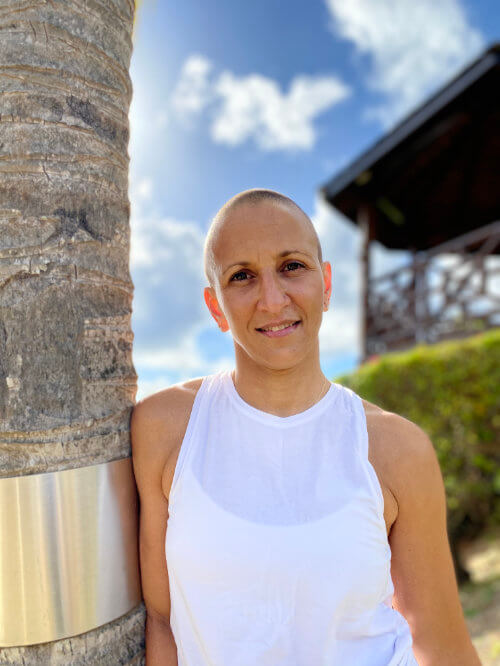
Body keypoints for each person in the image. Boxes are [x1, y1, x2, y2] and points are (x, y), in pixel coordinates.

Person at [131, 188, 480, 666]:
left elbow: (442, 647)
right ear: (216, 308)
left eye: (292, 266)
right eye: (242, 276)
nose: (273, 300)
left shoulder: (396, 449)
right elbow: (163, 623)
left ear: (326, 284)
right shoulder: (166, 428)